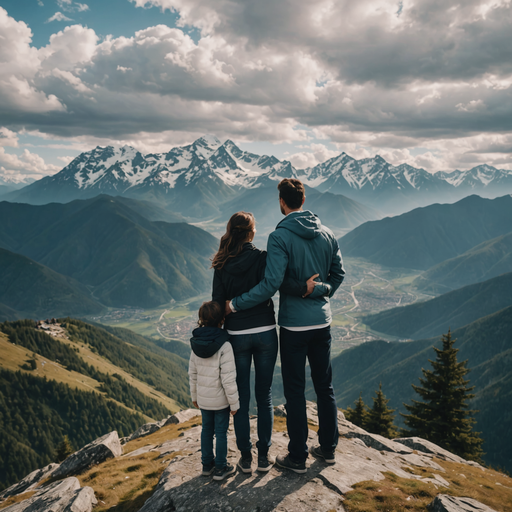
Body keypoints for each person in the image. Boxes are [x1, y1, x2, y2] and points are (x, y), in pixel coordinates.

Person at [226, 178, 345, 474]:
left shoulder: (279, 237)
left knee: (295, 391)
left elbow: (272, 283)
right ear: (303, 200)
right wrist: (318, 291)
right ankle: (328, 449)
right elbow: (338, 275)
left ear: (282, 201)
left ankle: (298, 457)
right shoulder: (328, 233)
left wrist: (236, 303)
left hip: (293, 326)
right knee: (324, 387)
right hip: (322, 323)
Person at [212, 211, 319, 475]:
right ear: (250, 233)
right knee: (265, 396)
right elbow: (278, 282)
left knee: (241, 398)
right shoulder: (262, 257)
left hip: (236, 335)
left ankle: (246, 458)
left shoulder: (221, 263)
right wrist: (304, 287)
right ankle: (264, 457)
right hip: (265, 333)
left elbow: (217, 303)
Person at [189, 301, 239, 481]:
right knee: (221, 433)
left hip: (204, 399)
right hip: (220, 401)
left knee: (206, 431)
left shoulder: (195, 344)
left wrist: (194, 396)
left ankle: (206, 465)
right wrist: (234, 403)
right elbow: (228, 378)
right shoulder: (225, 345)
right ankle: (220, 467)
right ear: (222, 319)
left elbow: (192, 373)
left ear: (201, 320)